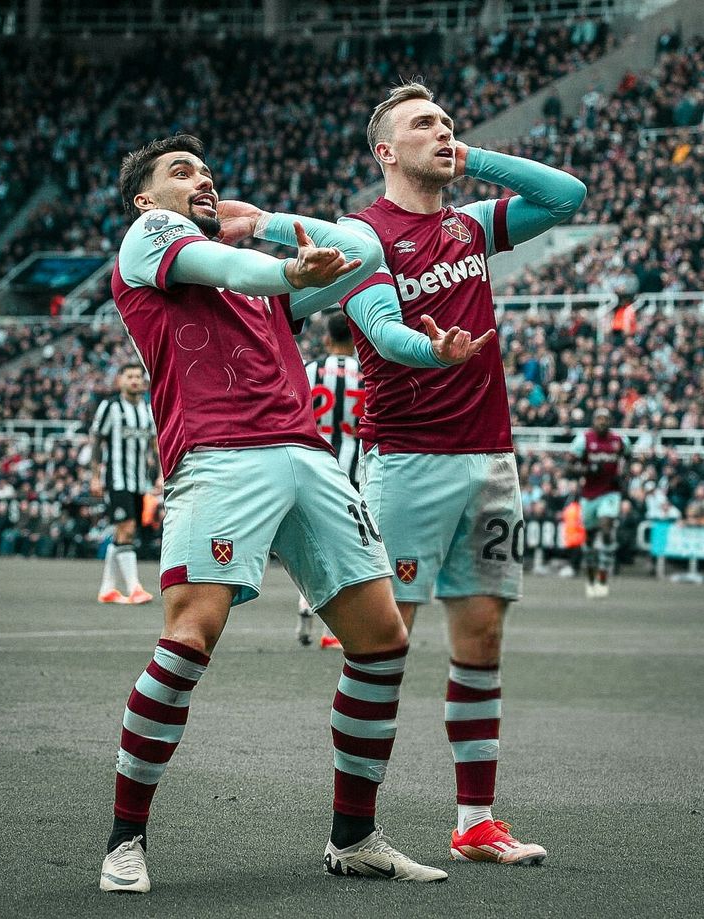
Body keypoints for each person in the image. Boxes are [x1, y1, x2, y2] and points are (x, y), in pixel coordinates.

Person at [99, 133, 474, 893]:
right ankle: (124, 837)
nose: (200, 179)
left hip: (306, 453)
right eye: (182, 172)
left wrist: (263, 217)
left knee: (379, 639)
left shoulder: (254, 270)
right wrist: (280, 265)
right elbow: (227, 266)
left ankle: (354, 836)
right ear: (146, 198)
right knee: (189, 637)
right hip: (219, 451)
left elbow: (364, 256)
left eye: (207, 171)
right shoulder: (150, 238)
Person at [335, 82, 587, 865]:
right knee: (384, 645)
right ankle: (355, 834)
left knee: (480, 638)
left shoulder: (469, 225)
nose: (441, 130)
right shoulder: (359, 232)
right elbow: (373, 322)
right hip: (407, 460)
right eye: (423, 125)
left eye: (447, 121)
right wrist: (426, 347)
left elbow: (566, 195)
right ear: (385, 152)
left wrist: (468, 156)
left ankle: (475, 821)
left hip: (490, 457)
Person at [297, 310, 363, 650]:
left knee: (313, 538)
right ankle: (337, 625)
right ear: (355, 339)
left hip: (314, 463)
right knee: (344, 543)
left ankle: (306, 604)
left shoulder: (309, 371)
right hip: (352, 469)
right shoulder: (366, 374)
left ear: (326, 339)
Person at [90, 363, 159, 604]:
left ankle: (107, 588)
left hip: (139, 481)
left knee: (124, 531)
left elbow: (154, 445)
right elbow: (97, 440)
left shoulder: (147, 409)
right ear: (120, 380)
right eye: (129, 376)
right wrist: (95, 476)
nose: (134, 380)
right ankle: (135, 587)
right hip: (116, 479)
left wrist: (159, 475)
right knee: (127, 528)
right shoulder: (110, 407)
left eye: (138, 377)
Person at [570, 408, 631, 598]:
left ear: (611, 421)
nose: (602, 422)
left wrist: (624, 474)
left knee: (606, 529)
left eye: (606, 419)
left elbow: (629, 457)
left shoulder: (620, 441)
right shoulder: (583, 440)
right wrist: (586, 469)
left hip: (610, 492)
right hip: (589, 495)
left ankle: (603, 578)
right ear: (593, 421)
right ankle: (590, 578)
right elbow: (569, 466)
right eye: (599, 419)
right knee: (589, 537)